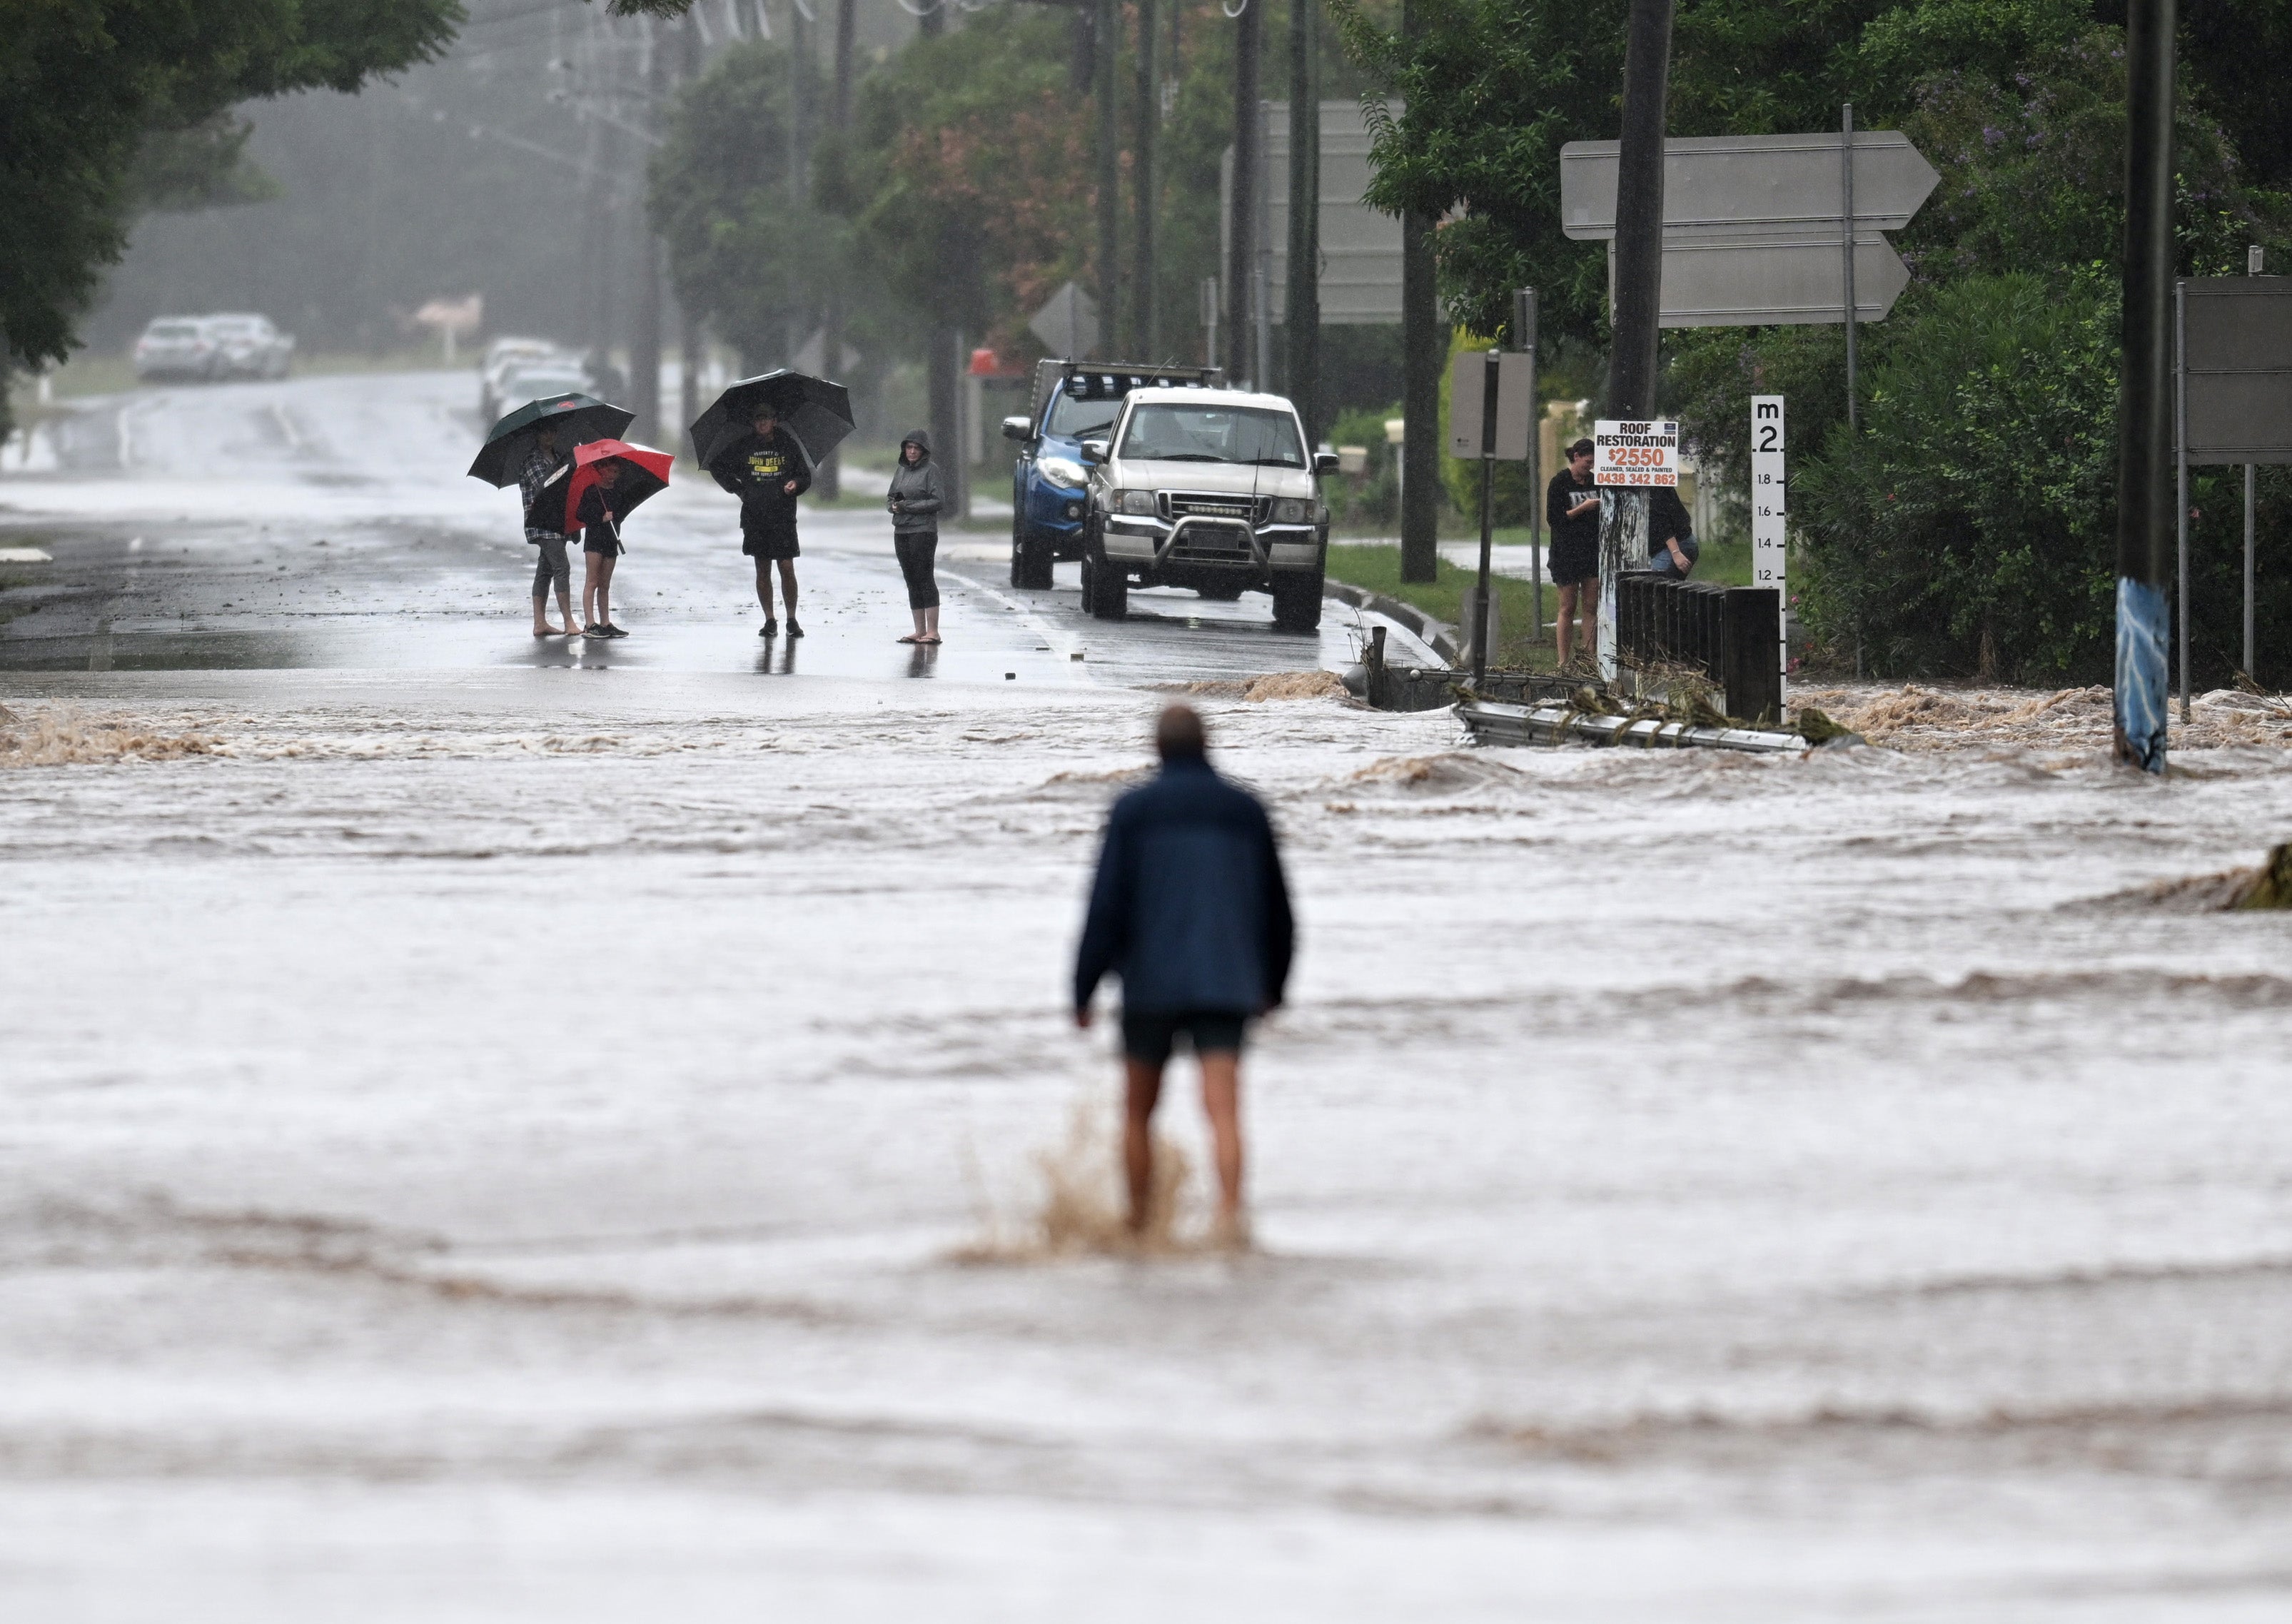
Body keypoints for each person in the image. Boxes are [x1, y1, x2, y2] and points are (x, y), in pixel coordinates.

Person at [1073, 705, 1293, 1246]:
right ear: (1206, 744)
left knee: (1137, 1112)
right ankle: (1229, 1217)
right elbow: (1277, 907)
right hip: (1226, 979)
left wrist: (1082, 987)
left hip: (1150, 981)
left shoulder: (1133, 810)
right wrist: (1273, 985)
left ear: (1158, 748)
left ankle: (1138, 1224)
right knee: (1223, 1108)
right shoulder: (1245, 810)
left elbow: (1105, 906)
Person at [730, 409, 810, 637]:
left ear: (775, 421)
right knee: (762, 568)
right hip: (755, 517)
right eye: (758, 418)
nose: (762, 422)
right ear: (753, 422)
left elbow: (805, 476)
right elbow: (720, 467)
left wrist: (796, 483)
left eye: (766, 418)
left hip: (783, 516)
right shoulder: (743, 446)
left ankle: (792, 619)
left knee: (786, 566)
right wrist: (739, 489)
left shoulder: (789, 445)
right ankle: (769, 619)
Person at [1545, 438, 1601, 669]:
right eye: (1587, 462)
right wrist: (1582, 508)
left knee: (1591, 606)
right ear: (1576, 456)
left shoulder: (1596, 482)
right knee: (1568, 607)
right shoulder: (1560, 483)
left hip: (1591, 551)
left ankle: (1589, 659)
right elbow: (1555, 519)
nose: (1589, 466)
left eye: (1593, 463)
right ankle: (1563, 661)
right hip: (1566, 552)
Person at [887, 429, 945, 644]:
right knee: (910, 578)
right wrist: (893, 507)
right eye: (908, 448)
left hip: (923, 530)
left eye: (916, 448)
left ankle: (933, 631)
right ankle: (919, 630)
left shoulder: (932, 471)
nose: (911, 452)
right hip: (901, 530)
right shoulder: (900, 471)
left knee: (924, 577)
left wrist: (908, 507)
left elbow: (938, 501)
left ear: (923, 451)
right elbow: (891, 496)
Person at [520, 426, 579, 637]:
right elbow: (545, 489)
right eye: (545, 432)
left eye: (553, 432)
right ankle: (569, 621)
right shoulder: (532, 462)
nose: (549, 435)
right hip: (543, 523)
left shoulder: (558, 457)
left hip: (557, 524)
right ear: (537, 434)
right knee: (562, 567)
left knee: (545, 571)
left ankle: (540, 623)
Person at [575, 459, 628, 638]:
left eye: (617, 472)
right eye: (611, 471)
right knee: (592, 581)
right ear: (601, 470)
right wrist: (600, 517)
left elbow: (622, 513)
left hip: (611, 540)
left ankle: (605, 622)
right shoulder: (591, 491)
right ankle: (590, 624)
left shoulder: (619, 492)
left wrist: (615, 516)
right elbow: (581, 514)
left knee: (605, 584)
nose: (614, 476)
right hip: (594, 541)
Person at [1648, 484, 1699, 577]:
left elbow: (1662, 523)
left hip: (1672, 545)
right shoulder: (1659, 483)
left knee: (1658, 586)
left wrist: (1676, 552)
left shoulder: (1653, 488)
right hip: (1678, 541)